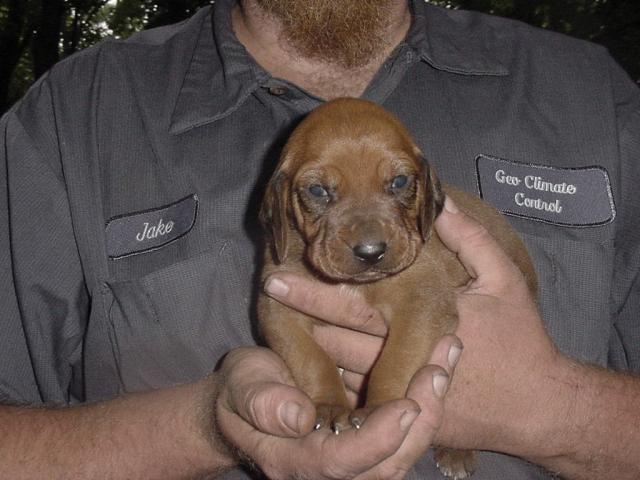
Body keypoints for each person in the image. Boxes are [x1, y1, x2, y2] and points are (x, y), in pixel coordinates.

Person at [0, 0, 638, 478]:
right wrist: (202, 425)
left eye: (399, 189)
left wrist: (555, 408)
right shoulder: (71, 117)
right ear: (279, 201)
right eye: (319, 193)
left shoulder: (593, 96)